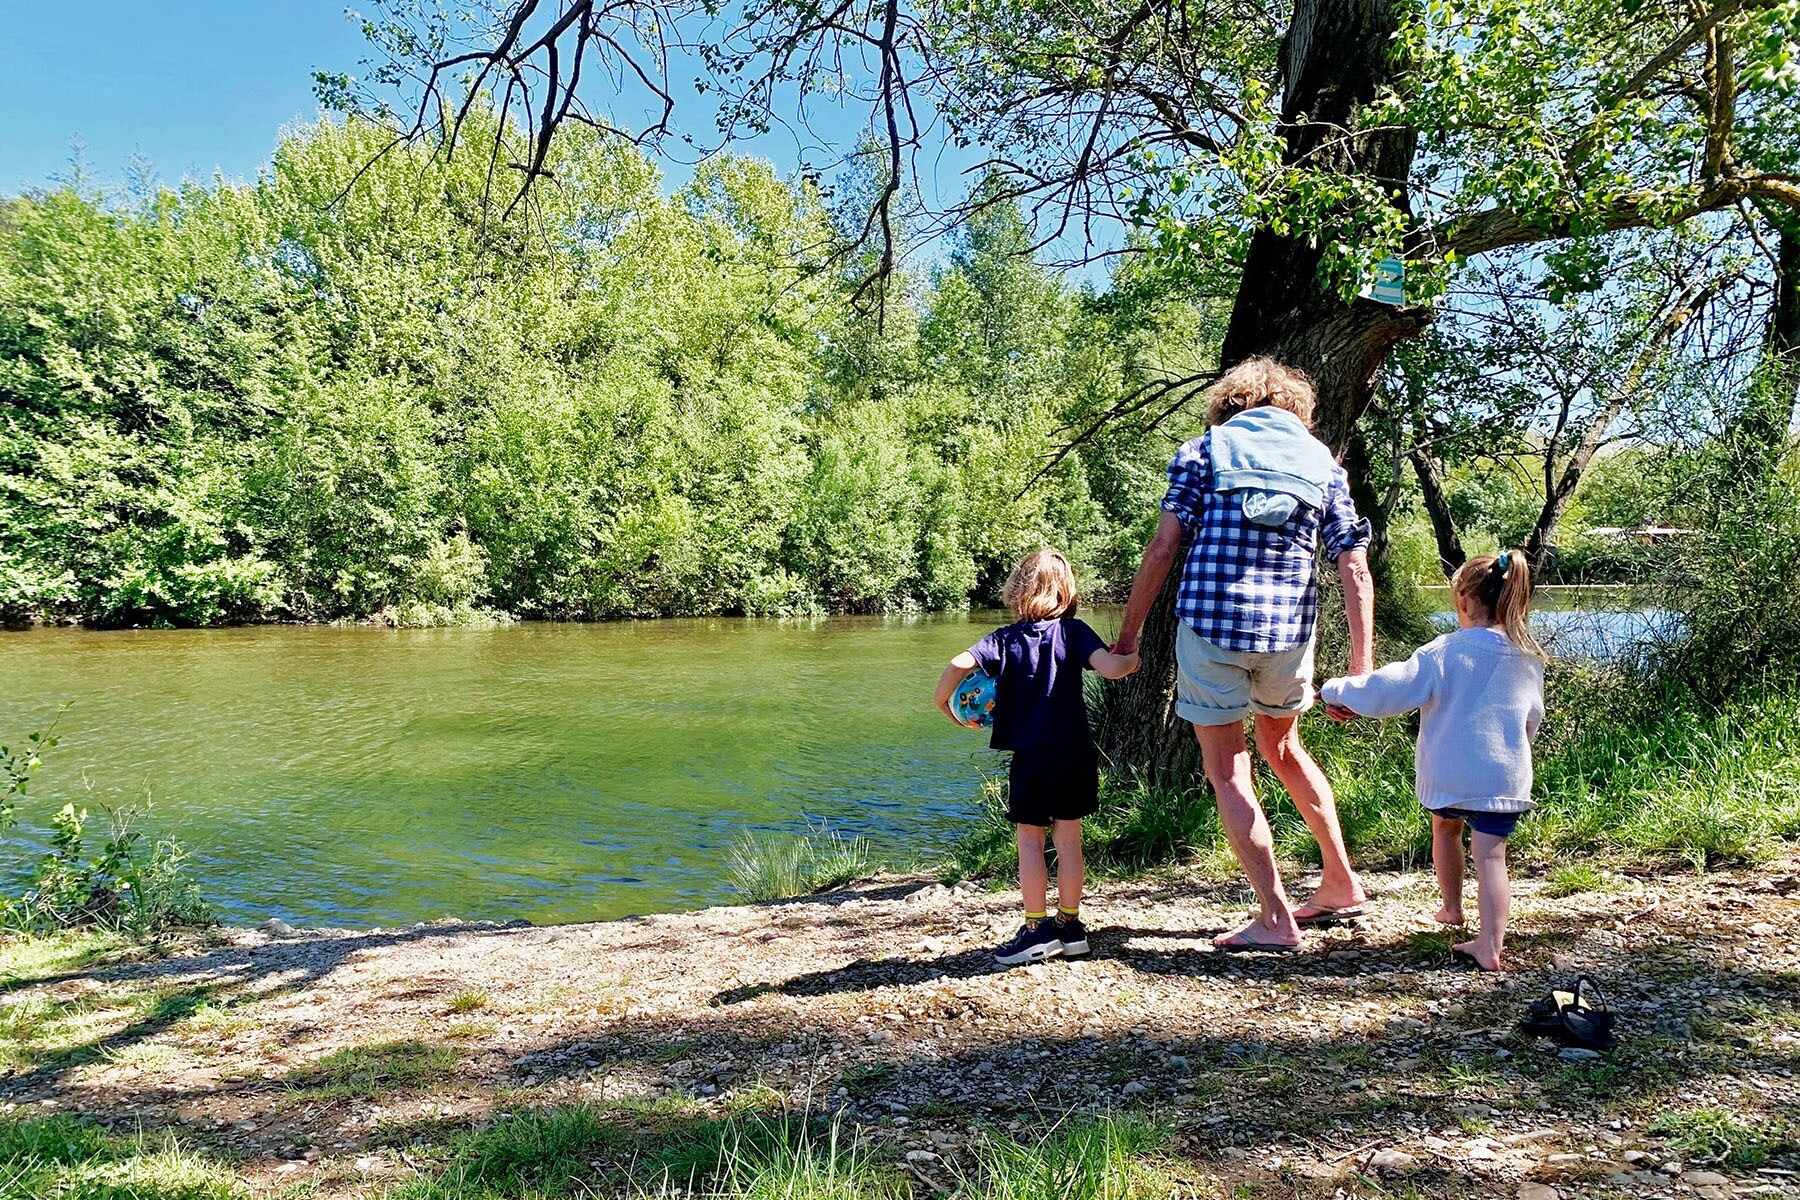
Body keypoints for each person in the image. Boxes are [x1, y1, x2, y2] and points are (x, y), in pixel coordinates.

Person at [1112, 357, 1374, 951]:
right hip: (1288, 636)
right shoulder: (1324, 466)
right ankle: (1339, 881)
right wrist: (1360, 669)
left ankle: (1276, 918)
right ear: (1296, 411)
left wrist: (1127, 640)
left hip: (1212, 628)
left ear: (1230, 405)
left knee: (1228, 768)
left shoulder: (1204, 451)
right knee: (1283, 747)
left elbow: (1162, 549)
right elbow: (1353, 565)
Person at [1320, 551, 1546, 971]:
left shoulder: (1444, 651)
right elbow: (1532, 718)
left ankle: (1451, 908)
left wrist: (1336, 690)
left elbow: (1388, 690)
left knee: (1445, 830)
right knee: (1491, 857)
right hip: (1504, 776)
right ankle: (1490, 945)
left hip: (1450, 772)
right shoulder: (1526, 657)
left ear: (1464, 602)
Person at [934, 548, 1140, 965]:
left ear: (1017, 590)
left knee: (1030, 839)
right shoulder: (1075, 632)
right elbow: (1112, 669)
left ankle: (1035, 929)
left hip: (1031, 756)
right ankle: (1071, 926)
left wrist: (943, 703)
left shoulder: (1004, 639)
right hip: (1075, 753)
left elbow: (959, 662)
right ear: (1066, 591)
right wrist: (1131, 658)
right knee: (1070, 839)